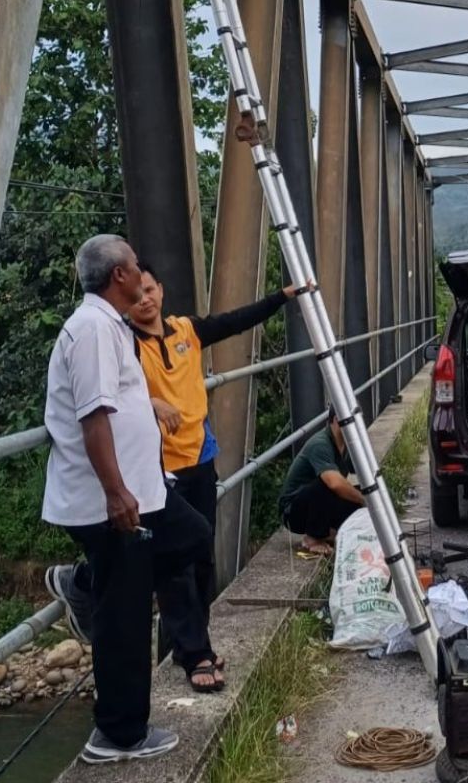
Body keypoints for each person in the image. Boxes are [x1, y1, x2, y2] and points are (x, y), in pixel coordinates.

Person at [40, 235, 213, 764]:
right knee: (125, 619)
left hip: (146, 491)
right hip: (110, 503)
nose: (143, 273)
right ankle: (117, 736)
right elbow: (94, 417)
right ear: (120, 276)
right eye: (136, 265)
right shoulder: (92, 330)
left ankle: (83, 583)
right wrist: (117, 493)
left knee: (193, 538)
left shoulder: (109, 325)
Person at [127, 264, 299, 669]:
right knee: (175, 562)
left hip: (200, 458)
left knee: (201, 553)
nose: (144, 300)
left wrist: (281, 297)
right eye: (135, 296)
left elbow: (234, 322)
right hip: (159, 470)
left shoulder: (186, 330)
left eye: (149, 290)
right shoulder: (124, 344)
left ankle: (194, 638)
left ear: (161, 289)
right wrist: (148, 402)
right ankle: (195, 653)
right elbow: (110, 392)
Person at [279, 407, 363, 554]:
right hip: (294, 512)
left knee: (363, 494)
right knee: (329, 484)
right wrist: (363, 500)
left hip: (320, 504)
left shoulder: (345, 445)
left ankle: (330, 531)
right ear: (337, 420)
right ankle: (313, 538)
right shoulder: (320, 444)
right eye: (353, 421)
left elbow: (364, 472)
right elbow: (334, 483)